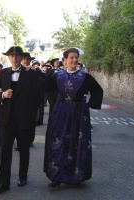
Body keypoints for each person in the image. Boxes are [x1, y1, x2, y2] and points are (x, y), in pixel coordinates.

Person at [43, 47, 103, 188]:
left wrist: (87, 106)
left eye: (76, 57)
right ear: (65, 60)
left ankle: (76, 176)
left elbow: (97, 91)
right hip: (61, 112)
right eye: (71, 57)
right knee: (58, 142)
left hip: (78, 113)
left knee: (76, 143)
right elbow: (46, 88)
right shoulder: (58, 75)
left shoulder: (84, 76)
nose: (74, 60)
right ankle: (57, 175)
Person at [0, 46, 42, 194]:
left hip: (24, 120)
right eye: (11, 56)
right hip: (7, 119)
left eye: (17, 56)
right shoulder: (3, 73)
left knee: (24, 149)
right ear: (8, 58)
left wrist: (29, 112)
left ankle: (23, 176)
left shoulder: (31, 74)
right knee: (5, 151)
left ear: (21, 57)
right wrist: (2, 96)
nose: (14, 58)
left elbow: (38, 97)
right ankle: (3, 182)